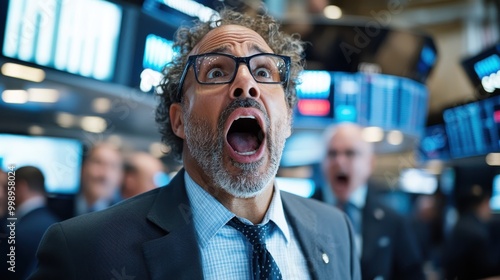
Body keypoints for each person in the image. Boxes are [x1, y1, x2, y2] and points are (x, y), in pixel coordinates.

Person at [29, 8, 360, 280]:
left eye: (263, 71)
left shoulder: (335, 230)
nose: (246, 84)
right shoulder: (84, 251)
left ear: (288, 117)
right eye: (216, 72)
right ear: (179, 121)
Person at [321, 122, 424, 280]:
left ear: (370, 163)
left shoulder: (393, 221)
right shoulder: (298, 215)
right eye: (332, 153)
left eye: (350, 153)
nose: (339, 161)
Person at [0, 166, 59, 280]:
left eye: (7, 188)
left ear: (21, 187)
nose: (4, 195)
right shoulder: (59, 225)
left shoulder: (15, 232)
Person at [49, 142, 124, 220]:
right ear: (83, 168)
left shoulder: (124, 218)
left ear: (120, 177)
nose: (104, 174)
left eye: (113, 166)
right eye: (98, 162)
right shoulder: (52, 210)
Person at [442, 184, 500, 279]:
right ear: (483, 204)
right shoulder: (477, 233)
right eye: (489, 204)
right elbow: (487, 270)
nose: (490, 209)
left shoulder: (462, 222)